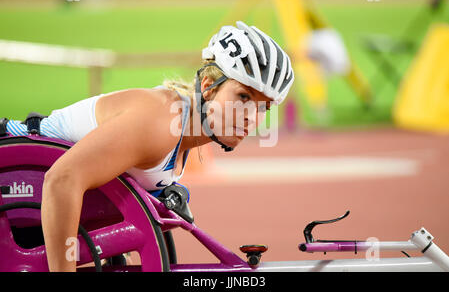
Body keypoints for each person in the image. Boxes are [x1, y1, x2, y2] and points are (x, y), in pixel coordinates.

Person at [2, 21, 294, 272]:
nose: (250, 117)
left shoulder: (184, 134)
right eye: (243, 96)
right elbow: (61, 181)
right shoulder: (161, 121)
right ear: (207, 85)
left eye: (263, 107)